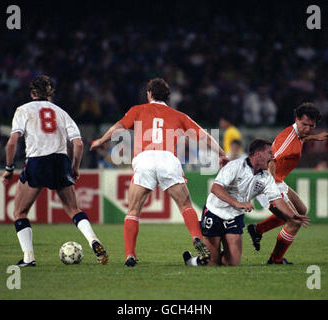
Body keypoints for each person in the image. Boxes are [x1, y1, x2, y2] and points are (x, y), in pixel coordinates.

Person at [91, 78, 228, 267]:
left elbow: (118, 127)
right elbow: (203, 135)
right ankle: (196, 237)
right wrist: (221, 153)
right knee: (185, 205)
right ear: (168, 97)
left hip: (144, 158)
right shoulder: (178, 115)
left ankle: (130, 255)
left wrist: (101, 140)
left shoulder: (137, 110)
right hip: (167, 159)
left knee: (133, 210)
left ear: (149, 93)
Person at [2, 75, 108, 267]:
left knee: (20, 212)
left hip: (37, 161)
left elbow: (12, 143)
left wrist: (9, 168)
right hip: (60, 161)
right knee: (73, 209)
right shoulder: (61, 112)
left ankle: (29, 258)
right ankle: (93, 239)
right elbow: (78, 143)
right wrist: (74, 167)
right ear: (49, 93)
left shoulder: (23, 110)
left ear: (32, 93)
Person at [182, 139, 310, 266]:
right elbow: (215, 188)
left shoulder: (266, 178)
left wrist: (293, 215)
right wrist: (237, 203)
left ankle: (215, 252)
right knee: (212, 263)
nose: (273, 156)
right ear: (258, 154)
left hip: (234, 217)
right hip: (214, 212)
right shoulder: (235, 166)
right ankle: (193, 260)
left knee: (232, 264)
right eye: (269, 152)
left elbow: (278, 200)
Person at [247, 102, 328, 264]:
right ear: (296, 119)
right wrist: (271, 190)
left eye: (311, 126)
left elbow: (301, 137)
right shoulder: (288, 138)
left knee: (301, 209)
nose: (307, 129)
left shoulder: (298, 134)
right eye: (304, 124)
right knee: (295, 222)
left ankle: (258, 229)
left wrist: (315, 137)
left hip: (277, 180)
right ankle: (275, 259)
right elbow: (271, 160)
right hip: (267, 182)